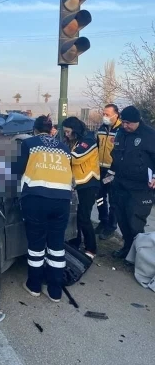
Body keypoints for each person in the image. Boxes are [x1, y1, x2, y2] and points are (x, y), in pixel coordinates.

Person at [15, 115, 73, 303]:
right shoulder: (64, 148)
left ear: (34, 130)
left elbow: (17, 170)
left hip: (37, 199)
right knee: (56, 245)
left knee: (36, 244)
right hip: (62, 200)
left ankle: (34, 285)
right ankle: (55, 291)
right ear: (51, 130)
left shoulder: (30, 144)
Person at [105, 105, 155, 259]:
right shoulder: (121, 132)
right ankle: (127, 248)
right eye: (123, 122)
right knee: (122, 219)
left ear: (137, 121)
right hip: (120, 184)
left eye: (128, 123)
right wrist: (109, 176)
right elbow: (115, 155)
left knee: (135, 222)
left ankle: (139, 256)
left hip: (140, 188)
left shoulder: (150, 135)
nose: (125, 125)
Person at [62, 116, 100, 259]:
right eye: (64, 132)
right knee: (76, 216)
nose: (66, 134)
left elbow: (76, 158)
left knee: (84, 217)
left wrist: (59, 154)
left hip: (89, 183)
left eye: (68, 131)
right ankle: (75, 242)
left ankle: (91, 249)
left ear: (75, 129)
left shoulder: (88, 141)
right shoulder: (74, 141)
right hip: (77, 183)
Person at [96, 104, 122, 240]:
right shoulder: (101, 129)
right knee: (99, 197)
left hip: (114, 171)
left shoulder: (122, 130)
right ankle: (103, 220)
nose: (105, 116)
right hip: (100, 169)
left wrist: (113, 170)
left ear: (116, 114)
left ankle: (111, 226)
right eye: (104, 114)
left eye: (107, 114)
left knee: (113, 200)